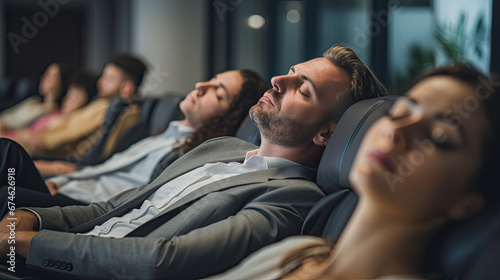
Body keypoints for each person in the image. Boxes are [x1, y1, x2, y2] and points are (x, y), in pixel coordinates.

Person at [0, 45, 387, 279]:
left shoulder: (293, 198)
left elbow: (164, 261)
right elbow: (111, 208)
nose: (276, 81)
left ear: (325, 135)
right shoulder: (220, 148)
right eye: (288, 73)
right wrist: (31, 217)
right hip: (49, 245)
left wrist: (29, 244)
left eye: (302, 88)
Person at [208, 64, 500, 280]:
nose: (398, 132)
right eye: (400, 112)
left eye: (438, 137)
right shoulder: (293, 252)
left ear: (467, 202)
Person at [0, 68, 266, 213]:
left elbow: (138, 201)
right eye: (210, 80)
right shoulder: (165, 132)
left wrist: (62, 186)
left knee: (8, 156)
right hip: (68, 187)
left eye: (217, 93)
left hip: (86, 205)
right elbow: (102, 166)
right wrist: (60, 178)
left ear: (229, 117)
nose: (200, 86)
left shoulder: (190, 156)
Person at [26, 53, 146, 162]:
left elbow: (66, 134)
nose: (100, 82)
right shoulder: (117, 108)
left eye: (109, 79)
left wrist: (38, 138)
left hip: (51, 154)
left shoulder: (107, 107)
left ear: (127, 88)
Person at [1, 70, 99, 151]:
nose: (67, 99)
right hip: (11, 140)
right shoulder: (54, 113)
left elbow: (41, 141)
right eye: (69, 94)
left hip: (16, 147)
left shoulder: (70, 121)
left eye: (74, 97)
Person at [0, 63, 70, 133]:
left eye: (51, 76)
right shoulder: (34, 100)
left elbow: (14, 126)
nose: (44, 78)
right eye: (45, 74)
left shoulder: (51, 111)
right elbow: (5, 116)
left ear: (61, 82)